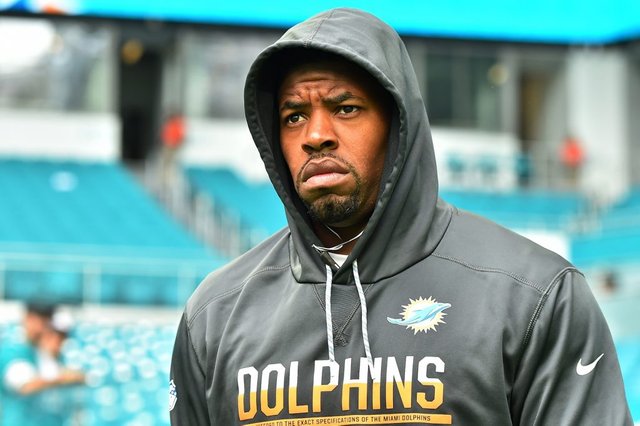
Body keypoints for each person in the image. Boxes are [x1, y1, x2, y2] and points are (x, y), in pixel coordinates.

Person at [170, 8, 632, 425]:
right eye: (293, 116)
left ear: (399, 127)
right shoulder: (215, 315)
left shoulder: (534, 296)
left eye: (344, 108)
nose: (315, 135)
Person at [0, 304, 85, 426]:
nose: (41, 326)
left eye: (46, 320)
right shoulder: (12, 352)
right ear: (27, 318)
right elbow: (25, 386)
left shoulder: (49, 357)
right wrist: (62, 378)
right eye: (38, 319)